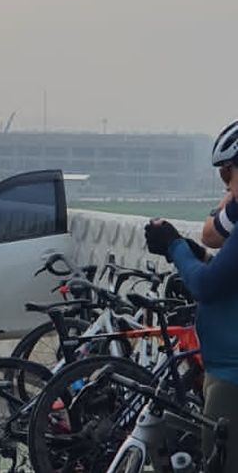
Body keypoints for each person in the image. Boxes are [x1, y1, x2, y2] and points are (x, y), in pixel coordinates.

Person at [145, 120, 238, 471]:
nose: (226, 185)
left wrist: (174, 248)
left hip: (233, 377)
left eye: (227, 173)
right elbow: (226, 272)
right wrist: (190, 253)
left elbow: (208, 286)